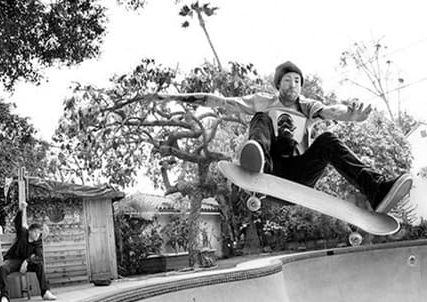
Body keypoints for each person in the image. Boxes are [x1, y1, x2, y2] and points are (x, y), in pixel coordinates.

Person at [154, 60, 413, 214]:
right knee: (261, 117)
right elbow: (223, 102)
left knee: (328, 139)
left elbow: (332, 110)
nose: (293, 86)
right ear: (278, 84)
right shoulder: (263, 101)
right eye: (288, 81)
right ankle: (257, 162)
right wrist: (178, 97)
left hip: (299, 174)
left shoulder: (307, 105)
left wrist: (350, 115)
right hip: (271, 170)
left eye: (298, 81)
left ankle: (377, 190)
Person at [0, 202, 56, 302]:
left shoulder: (38, 242)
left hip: (26, 263)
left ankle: (45, 292)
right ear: (30, 232)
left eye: (39, 233)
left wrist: (27, 261)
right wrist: (21, 210)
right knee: (3, 269)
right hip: (14, 260)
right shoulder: (23, 233)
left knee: (39, 265)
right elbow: (17, 223)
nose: (38, 235)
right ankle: (4, 297)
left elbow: (39, 257)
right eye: (36, 232)